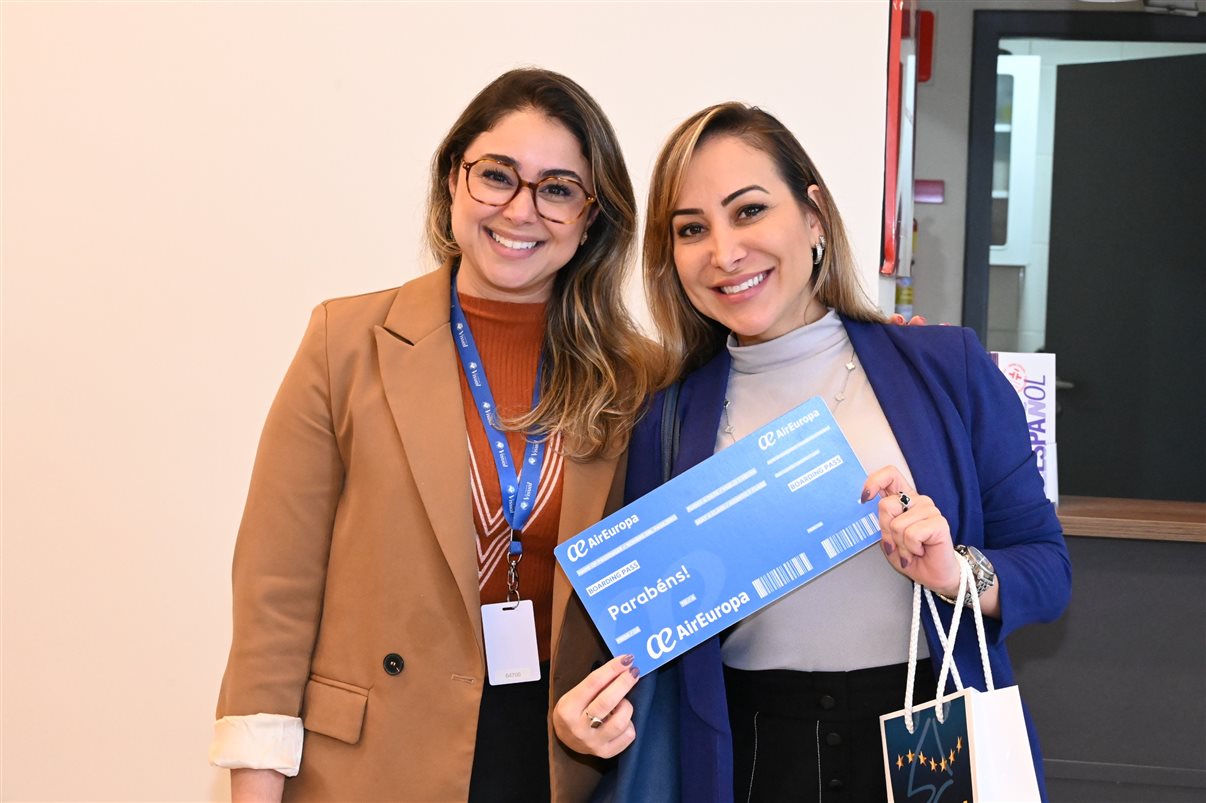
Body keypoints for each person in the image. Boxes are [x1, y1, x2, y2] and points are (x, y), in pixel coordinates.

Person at [554, 103, 1071, 802]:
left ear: (815, 217)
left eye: (749, 211)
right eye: (691, 229)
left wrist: (955, 573)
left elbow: (1046, 566)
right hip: (753, 752)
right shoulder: (663, 415)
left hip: (927, 733)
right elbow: (647, 625)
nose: (724, 252)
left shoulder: (945, 366)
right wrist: (587, 709)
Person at [209, 68, 659, 802]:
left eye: (556, 188)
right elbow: (275, 594)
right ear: (454, 180)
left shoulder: (636, 378)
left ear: (590, 217)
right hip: (368, 761)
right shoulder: (345, 341)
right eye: (497, 176)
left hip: (558, 760)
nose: (521, 209)